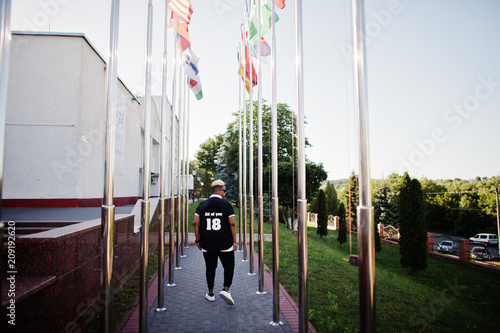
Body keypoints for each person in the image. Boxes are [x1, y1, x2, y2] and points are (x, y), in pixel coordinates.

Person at [194, 179, 237, 305]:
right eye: (224, 190)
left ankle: (210, 293)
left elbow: (196, 222)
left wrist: (197, 240)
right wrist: (234, 242)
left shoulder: (202, 205)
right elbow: (232, 224)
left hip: (207, 243)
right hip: (225, 243)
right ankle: (226, 289)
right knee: (229, 266)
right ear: (218, 190)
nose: (225, 192)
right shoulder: (227, 205)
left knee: (210, 267)